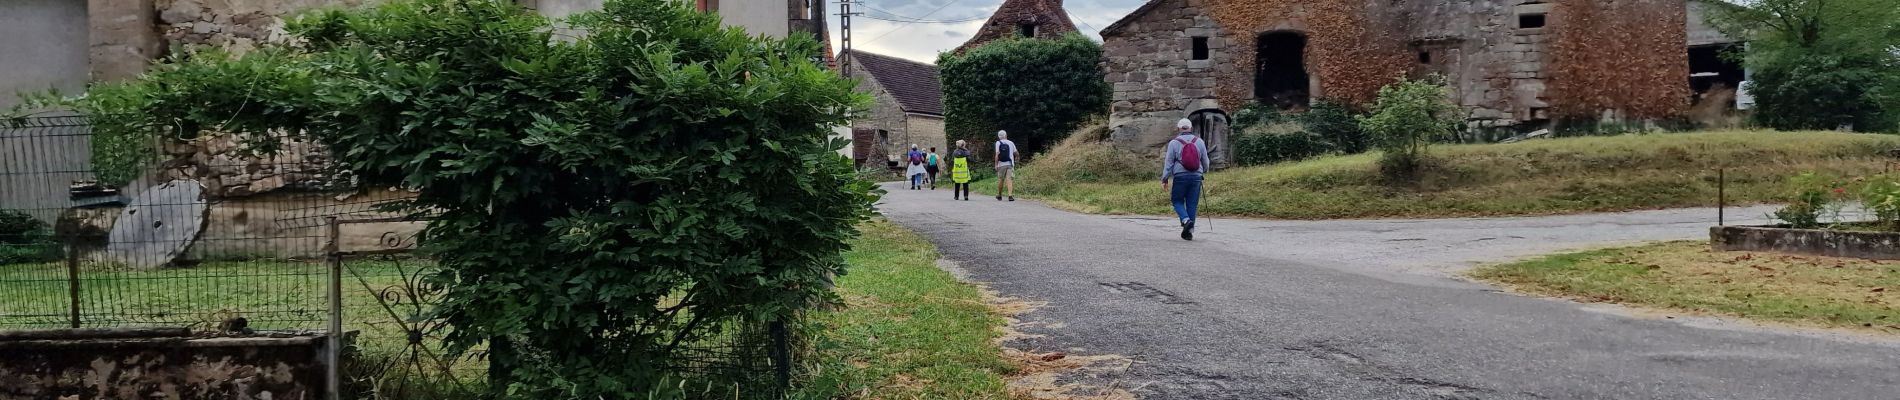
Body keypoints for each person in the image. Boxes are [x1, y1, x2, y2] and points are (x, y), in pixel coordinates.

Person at [1161, 118, 1209, 240]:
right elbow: (1205, 161)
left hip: (1180, 177)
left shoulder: (1174, 143)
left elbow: (1169, 163)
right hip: (1196, 177)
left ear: (1178, 128)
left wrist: (1165, 179)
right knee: (1192, 204)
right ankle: (1189, 232)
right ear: (1191, 128)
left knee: (1177, 200)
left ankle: (1186, 220)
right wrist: (1202, 172)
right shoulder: (1199, 141)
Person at [993, 130, 1019, 201]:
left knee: (1001, 179)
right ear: (1006, 135)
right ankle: (1010, 196)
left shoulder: (998, 143)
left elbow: (997, 155)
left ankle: (999, 195)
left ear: (999, 136)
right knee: (1009, 179)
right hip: (1010, 164)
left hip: (1001, 164)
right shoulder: (1011, 142)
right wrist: (1017, 158)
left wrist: (996, 164)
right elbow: (1016, 153)